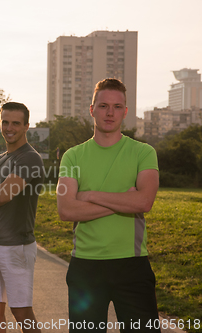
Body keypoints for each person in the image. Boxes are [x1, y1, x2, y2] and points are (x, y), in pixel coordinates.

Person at [57, 78, 161, 332]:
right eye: (103, 106)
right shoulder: (73, 156)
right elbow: (66, 210)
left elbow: (144, 201)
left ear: (125, 112)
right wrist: (125, 201)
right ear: (92, 109)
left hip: (132, 264)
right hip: (85, 266)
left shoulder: (143, 152)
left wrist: (89, 194)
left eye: (117, 106)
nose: (110, 112)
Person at [0, 102, 44, 333]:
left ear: (26, 126)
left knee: (21, 312)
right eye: (5, 122)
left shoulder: (30, 159)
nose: (9, 127)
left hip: (18, 247)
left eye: (15, 123)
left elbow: (3, 195)